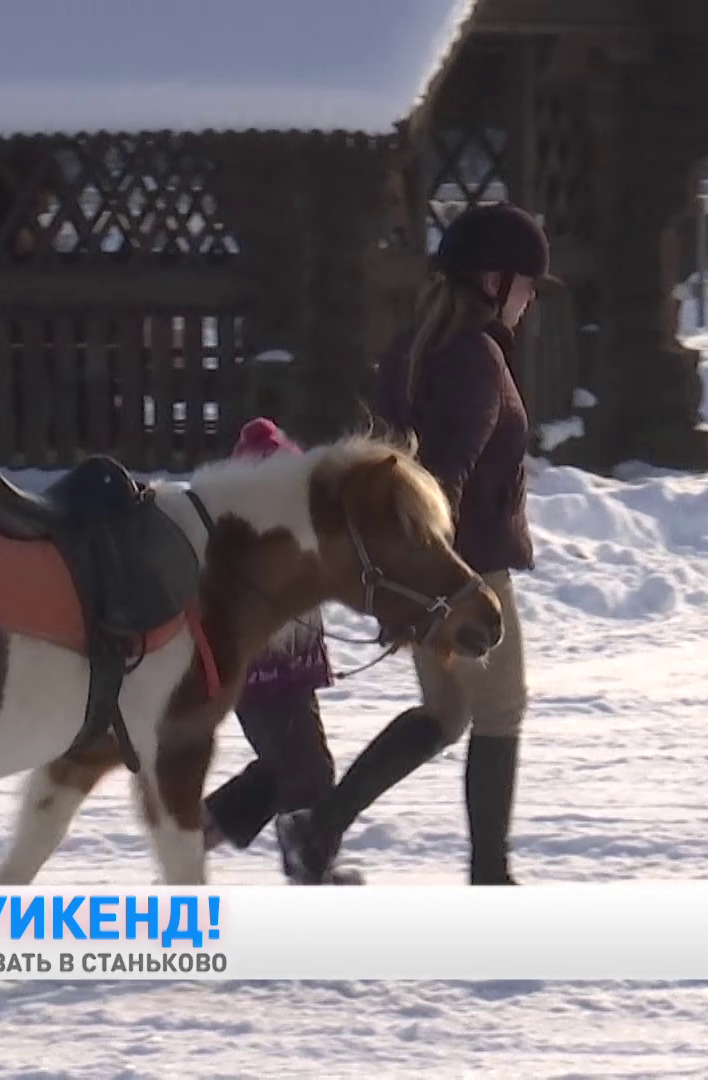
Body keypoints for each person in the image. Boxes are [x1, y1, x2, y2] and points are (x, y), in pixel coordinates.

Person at [275, 202, 550, 886]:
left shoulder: (413, 347)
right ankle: (491, 875)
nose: (533, 296)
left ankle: (319, 828)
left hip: (418, 563)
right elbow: (444, 475)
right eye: (527, 282)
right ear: (493, 280)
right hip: (464, 567)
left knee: (447, 711)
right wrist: (442, 577)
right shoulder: (477, 356)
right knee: (499, 709)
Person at [201, 417, 362, 885]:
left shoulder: (294, 529)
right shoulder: (243, 539)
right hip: (260, 675)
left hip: (286, 672)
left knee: (285, 769)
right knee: (307, 772)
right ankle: (307, 872)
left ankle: (192, 840)